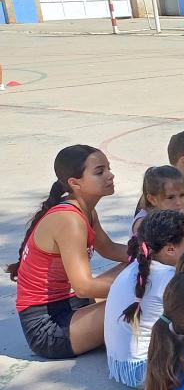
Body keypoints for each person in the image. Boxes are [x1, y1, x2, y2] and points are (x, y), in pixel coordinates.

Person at [10, 145, 127, 359]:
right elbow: (84, 286)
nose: (110, 175)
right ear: (75, 183)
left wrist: (153, 255)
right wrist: (143, 285)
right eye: (100, 172)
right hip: (48, 328)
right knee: (137, 304)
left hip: (71, 304)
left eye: (108, 168)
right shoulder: (69, 220)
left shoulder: (85, 210)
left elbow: (110, 249)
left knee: (138, 267)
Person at [104, 210, 184, 388]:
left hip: (120, 368)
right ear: (170, 249)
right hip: (145, 372)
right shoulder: (168, 277)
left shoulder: (137, 268)